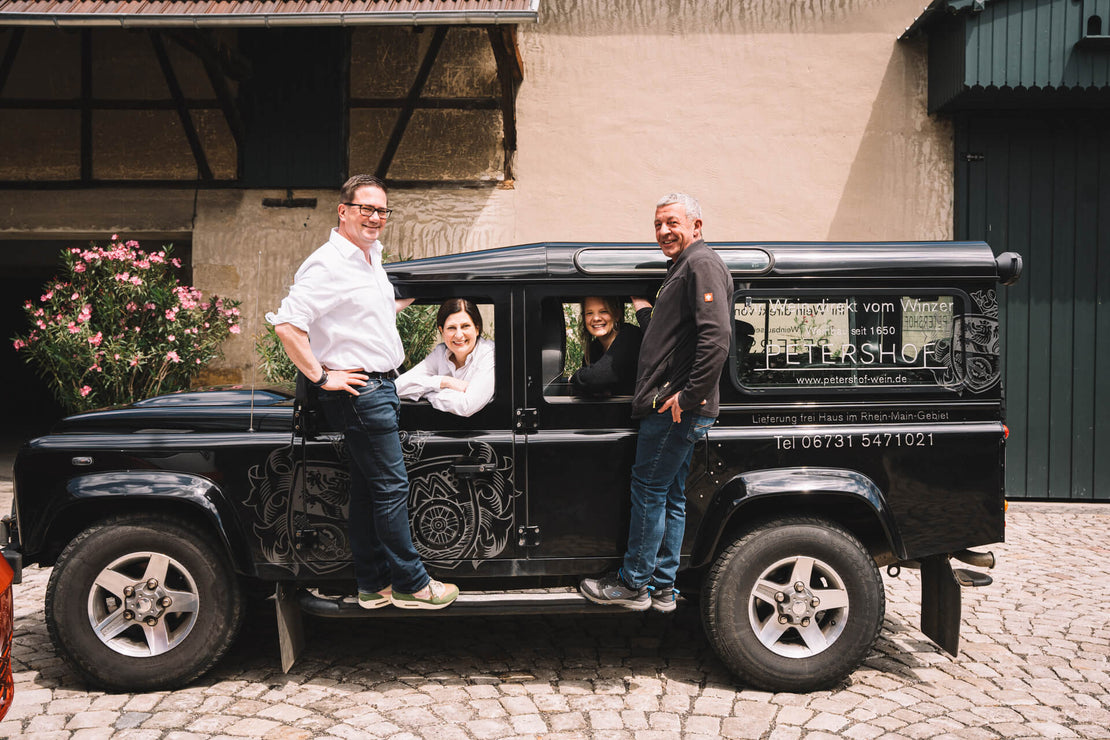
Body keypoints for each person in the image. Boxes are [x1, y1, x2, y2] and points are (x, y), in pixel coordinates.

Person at [266, 174, 458, 610]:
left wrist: (431, 289)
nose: (375, 217)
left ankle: (373, 585)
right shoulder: (328, 264)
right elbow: (288, 325)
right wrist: (322, 377)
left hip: (380, 386)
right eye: (366, 209)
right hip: (360, 391)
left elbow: (363, 312)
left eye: (382, 210)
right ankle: (412, 584)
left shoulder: (370, 257)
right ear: (343, 211)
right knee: (392, 487)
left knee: (370, 490)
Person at [579, 193, 732, 613]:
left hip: (673, 409)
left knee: (648, 490)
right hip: (674, 406)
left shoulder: (701, 264)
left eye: (672, 223)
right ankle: (663, 586)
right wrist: (646, 311)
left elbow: (716, 338)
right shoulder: (682, 267)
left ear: (696, 226)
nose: (664, 231)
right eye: (658, 224)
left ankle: (634, 583)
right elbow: (672, 338)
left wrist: (689, 394)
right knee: (670, 495)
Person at [396, 298, 495, 417]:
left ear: (477, 329)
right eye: (451, 328)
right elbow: (398, 387)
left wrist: (427, 393)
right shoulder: (441, 353)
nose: (459, 335)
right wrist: (445, 381)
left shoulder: (488, 353)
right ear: (442, 331)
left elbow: (466, 405)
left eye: (465, 326)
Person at [570, 296, 642, 396]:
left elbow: (598, 378)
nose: (596, 318)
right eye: (589, 313)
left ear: (616, 315)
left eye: (603, 311)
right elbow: (589, 387)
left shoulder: (630, 335)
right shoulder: (594, 349)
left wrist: (574, 378)